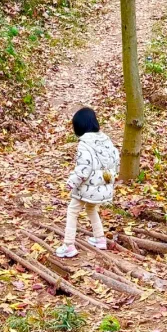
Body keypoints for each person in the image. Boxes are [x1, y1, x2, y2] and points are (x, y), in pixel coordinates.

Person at [55, 107, 119, 258]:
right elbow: (116, 160)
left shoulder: (85, 144)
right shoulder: (106, 140)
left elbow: (83, 170)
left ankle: (68, 245)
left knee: (73, 211)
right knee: (91, 209)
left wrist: (71, 183)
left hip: (86, 188)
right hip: (103, 187)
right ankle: (100, 238)